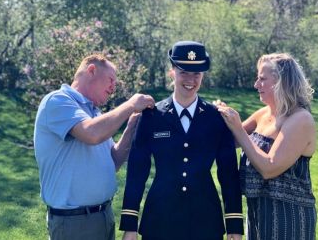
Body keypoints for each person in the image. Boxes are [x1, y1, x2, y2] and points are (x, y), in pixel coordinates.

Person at [119, 41, 244, 240]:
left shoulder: (216, 118)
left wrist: (235, 226)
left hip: (205, 219)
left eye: (197, 74)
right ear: (172, 72)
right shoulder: (152, 116)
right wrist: (130, 224)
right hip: (160, 218)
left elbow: (228, 174)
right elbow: (137, 172)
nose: (190, 79)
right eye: (184, 72)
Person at [34, 54, 155, 240]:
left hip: (102, 216)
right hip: (75, 224)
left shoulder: (92, 112)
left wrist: (131, 128)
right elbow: (92, 134)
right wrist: (130, 105)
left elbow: (112, 161)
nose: (113, 88)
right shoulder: (57, 101)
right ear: (91, 70)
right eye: (111, 80)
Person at [215, 53, 317, 240]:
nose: (256, 85)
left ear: (282, 82)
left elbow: (269, 167)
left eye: (262, 79)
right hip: (258, 213)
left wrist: (237, 127)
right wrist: (218, 116)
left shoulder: (301, 119)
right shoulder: (263, 113)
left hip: (289, 219)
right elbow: (230, 139)